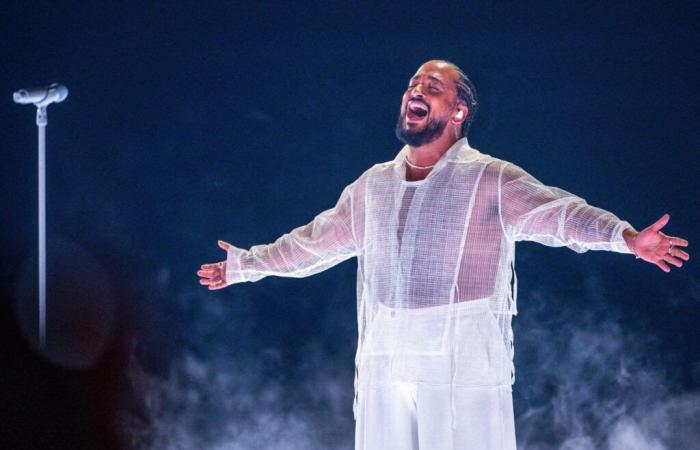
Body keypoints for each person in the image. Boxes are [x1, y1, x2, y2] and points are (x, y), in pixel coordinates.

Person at [197, 60, 689, 450]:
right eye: (413, 84)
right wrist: (246, 265)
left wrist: (625, 237)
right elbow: (311, 243)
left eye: (432, 87)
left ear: (459, 112)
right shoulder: (374, 186)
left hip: (463, 361)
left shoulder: (490, 178)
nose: (416, 90)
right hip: (386, 360)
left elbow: (561, 215)